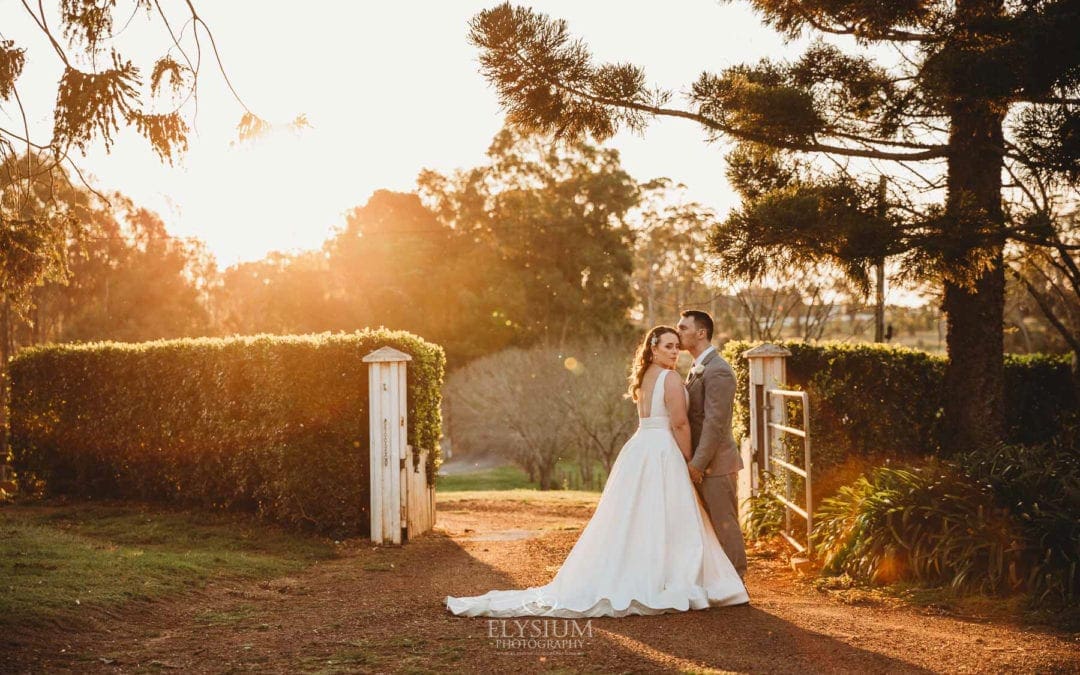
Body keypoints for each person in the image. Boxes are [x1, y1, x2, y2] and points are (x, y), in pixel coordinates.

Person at [445, 326, 748, 618]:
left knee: (638, 516)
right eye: (668, 346)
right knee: (667, 515)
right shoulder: (670, 378)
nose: (674, 352)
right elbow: (680, 424)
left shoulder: (643, 378)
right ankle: (667, 576)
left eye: (676, 346)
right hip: (662, 450)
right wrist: (688, 459)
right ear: (653, 349)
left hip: (640, 447)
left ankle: (644, 570)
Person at [676, 309, 748, 579]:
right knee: (710, 526)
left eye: (683, 328)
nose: (678, 332)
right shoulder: (697, 367)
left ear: (701, 333)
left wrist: (698, 463)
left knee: (725, 524)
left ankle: (736, 582)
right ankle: (720, 582)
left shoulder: (718, 370)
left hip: (716, 465)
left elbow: (714, 424)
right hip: (704, 464)